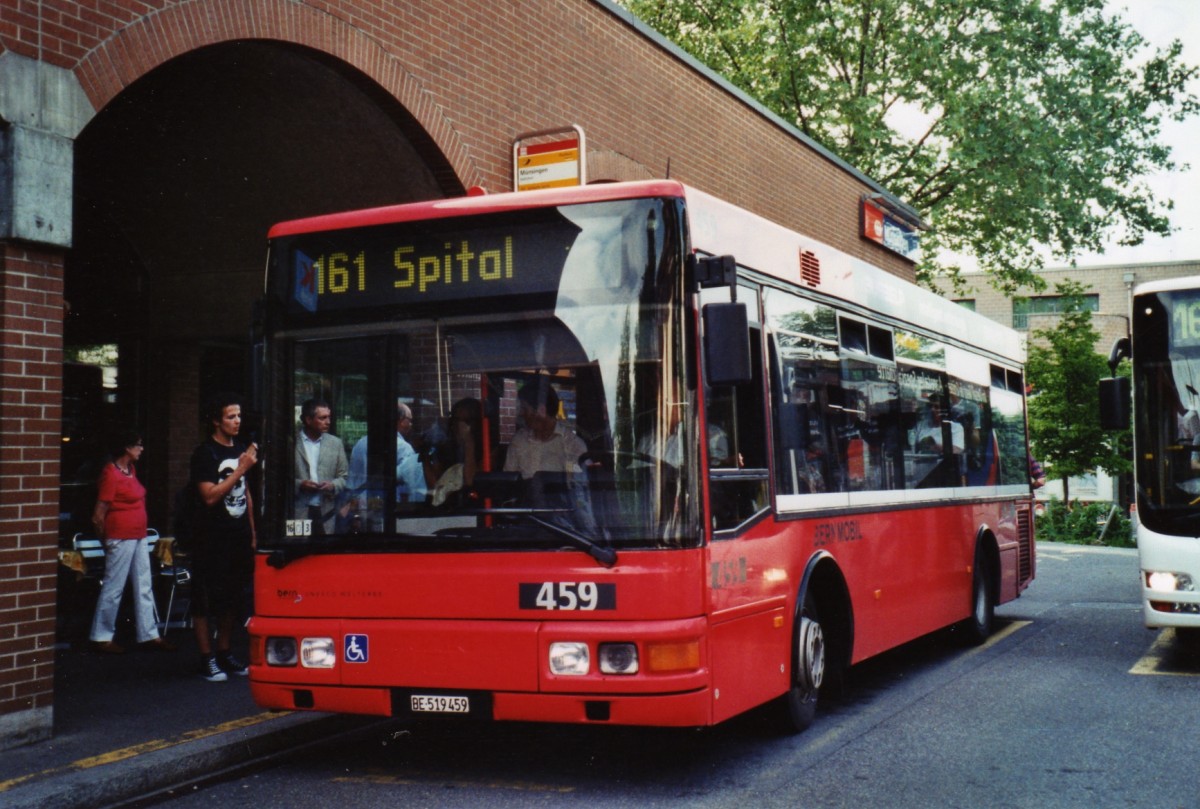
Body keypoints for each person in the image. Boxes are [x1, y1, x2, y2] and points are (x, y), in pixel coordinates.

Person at [190, 392, 258, 682]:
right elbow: (208, 496)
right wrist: (241, 468)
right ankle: (207, 657)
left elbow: (246, 493)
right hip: (211, 535)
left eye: (239, 415)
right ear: (216, 421)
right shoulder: (206, 453)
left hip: (237, 534)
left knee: (232, 597)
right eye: (231, 416)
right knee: (205, 597)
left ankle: (225, 650)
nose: (237, 421)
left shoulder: (240, 447)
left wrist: (252, 531)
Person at [88, 429, 175, 654]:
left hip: (137, 535)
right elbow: (99, 514)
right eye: (138, 444)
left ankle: (149, 634)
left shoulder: (130, 470)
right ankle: (101, 636)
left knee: (144, 583)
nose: (142, 448)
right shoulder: (111, 473)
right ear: (127, 447)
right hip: (120, 536)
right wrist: (105, 541)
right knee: (114, 586)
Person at [348, 400, 428, 507]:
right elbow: (412, 485)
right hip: (389, 507)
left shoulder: (360, 443)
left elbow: (352, 480)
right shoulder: (403, 447)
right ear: (399, 420)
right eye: (409, 420)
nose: (411, 424)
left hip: (360, 506)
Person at [504, 380, 587, 479]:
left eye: (525, 408)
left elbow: (579, 488)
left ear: (541, 410)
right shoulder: (519, 441)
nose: (521, 413)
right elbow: (508, 482)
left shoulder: (573, 445)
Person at [293, 398, 348, 534]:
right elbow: (281, 478)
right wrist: (300, 484)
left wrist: (333, 485)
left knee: (325, 550)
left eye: (329, 417)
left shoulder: (335, 443)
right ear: (308, 420)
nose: (328, 422)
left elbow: (345, 477)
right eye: (322, 418)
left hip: (327, 512)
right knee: (298, 547)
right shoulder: (292, 443)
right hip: (298, 511)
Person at [430, 397, 483, 506]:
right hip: (447, 508)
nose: (460, 426)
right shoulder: (444, 449)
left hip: (474, 508)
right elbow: (435, 485)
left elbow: (470, 481)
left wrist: (468, 442)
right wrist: (424, 457)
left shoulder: (486, 449)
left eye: (467, 421)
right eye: (456, 420)